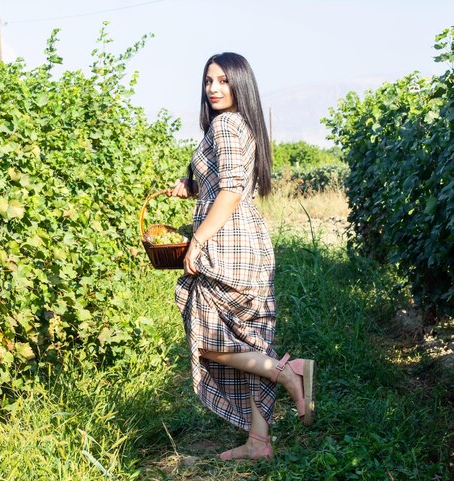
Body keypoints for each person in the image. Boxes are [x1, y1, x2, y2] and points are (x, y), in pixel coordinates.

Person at [169, 52, 315, 461]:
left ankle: (290, 372)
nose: (214, 88)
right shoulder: (241, 124)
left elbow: (232, 190)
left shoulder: (226, 125)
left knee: (211, 342)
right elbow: (227, 182)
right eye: (209, 81)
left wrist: (197, 240)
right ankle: (259, 441)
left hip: (227, 245)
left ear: (240, 85)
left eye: (223, 81)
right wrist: (193, 185)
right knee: (249, 340)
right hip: (245, 239)